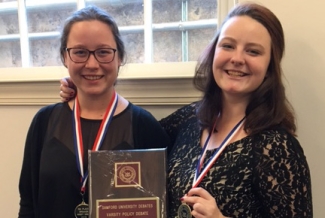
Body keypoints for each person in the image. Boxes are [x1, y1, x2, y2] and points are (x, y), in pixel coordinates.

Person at [60, 2, 313, 217]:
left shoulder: (278, 147)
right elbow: (131, 130)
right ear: (214, 52)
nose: (237, 58)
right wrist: (87, 89)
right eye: (228, 45)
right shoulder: (189, 119)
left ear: (270, 65)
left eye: (253, 51)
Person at [18, 5, 171, 218]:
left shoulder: (144, 126)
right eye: (80, 52)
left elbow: (161, 206)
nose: (92, 64)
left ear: (119, 58)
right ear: (65, 57)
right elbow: (28, 205)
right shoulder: (44, 122)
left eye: (103, 52)